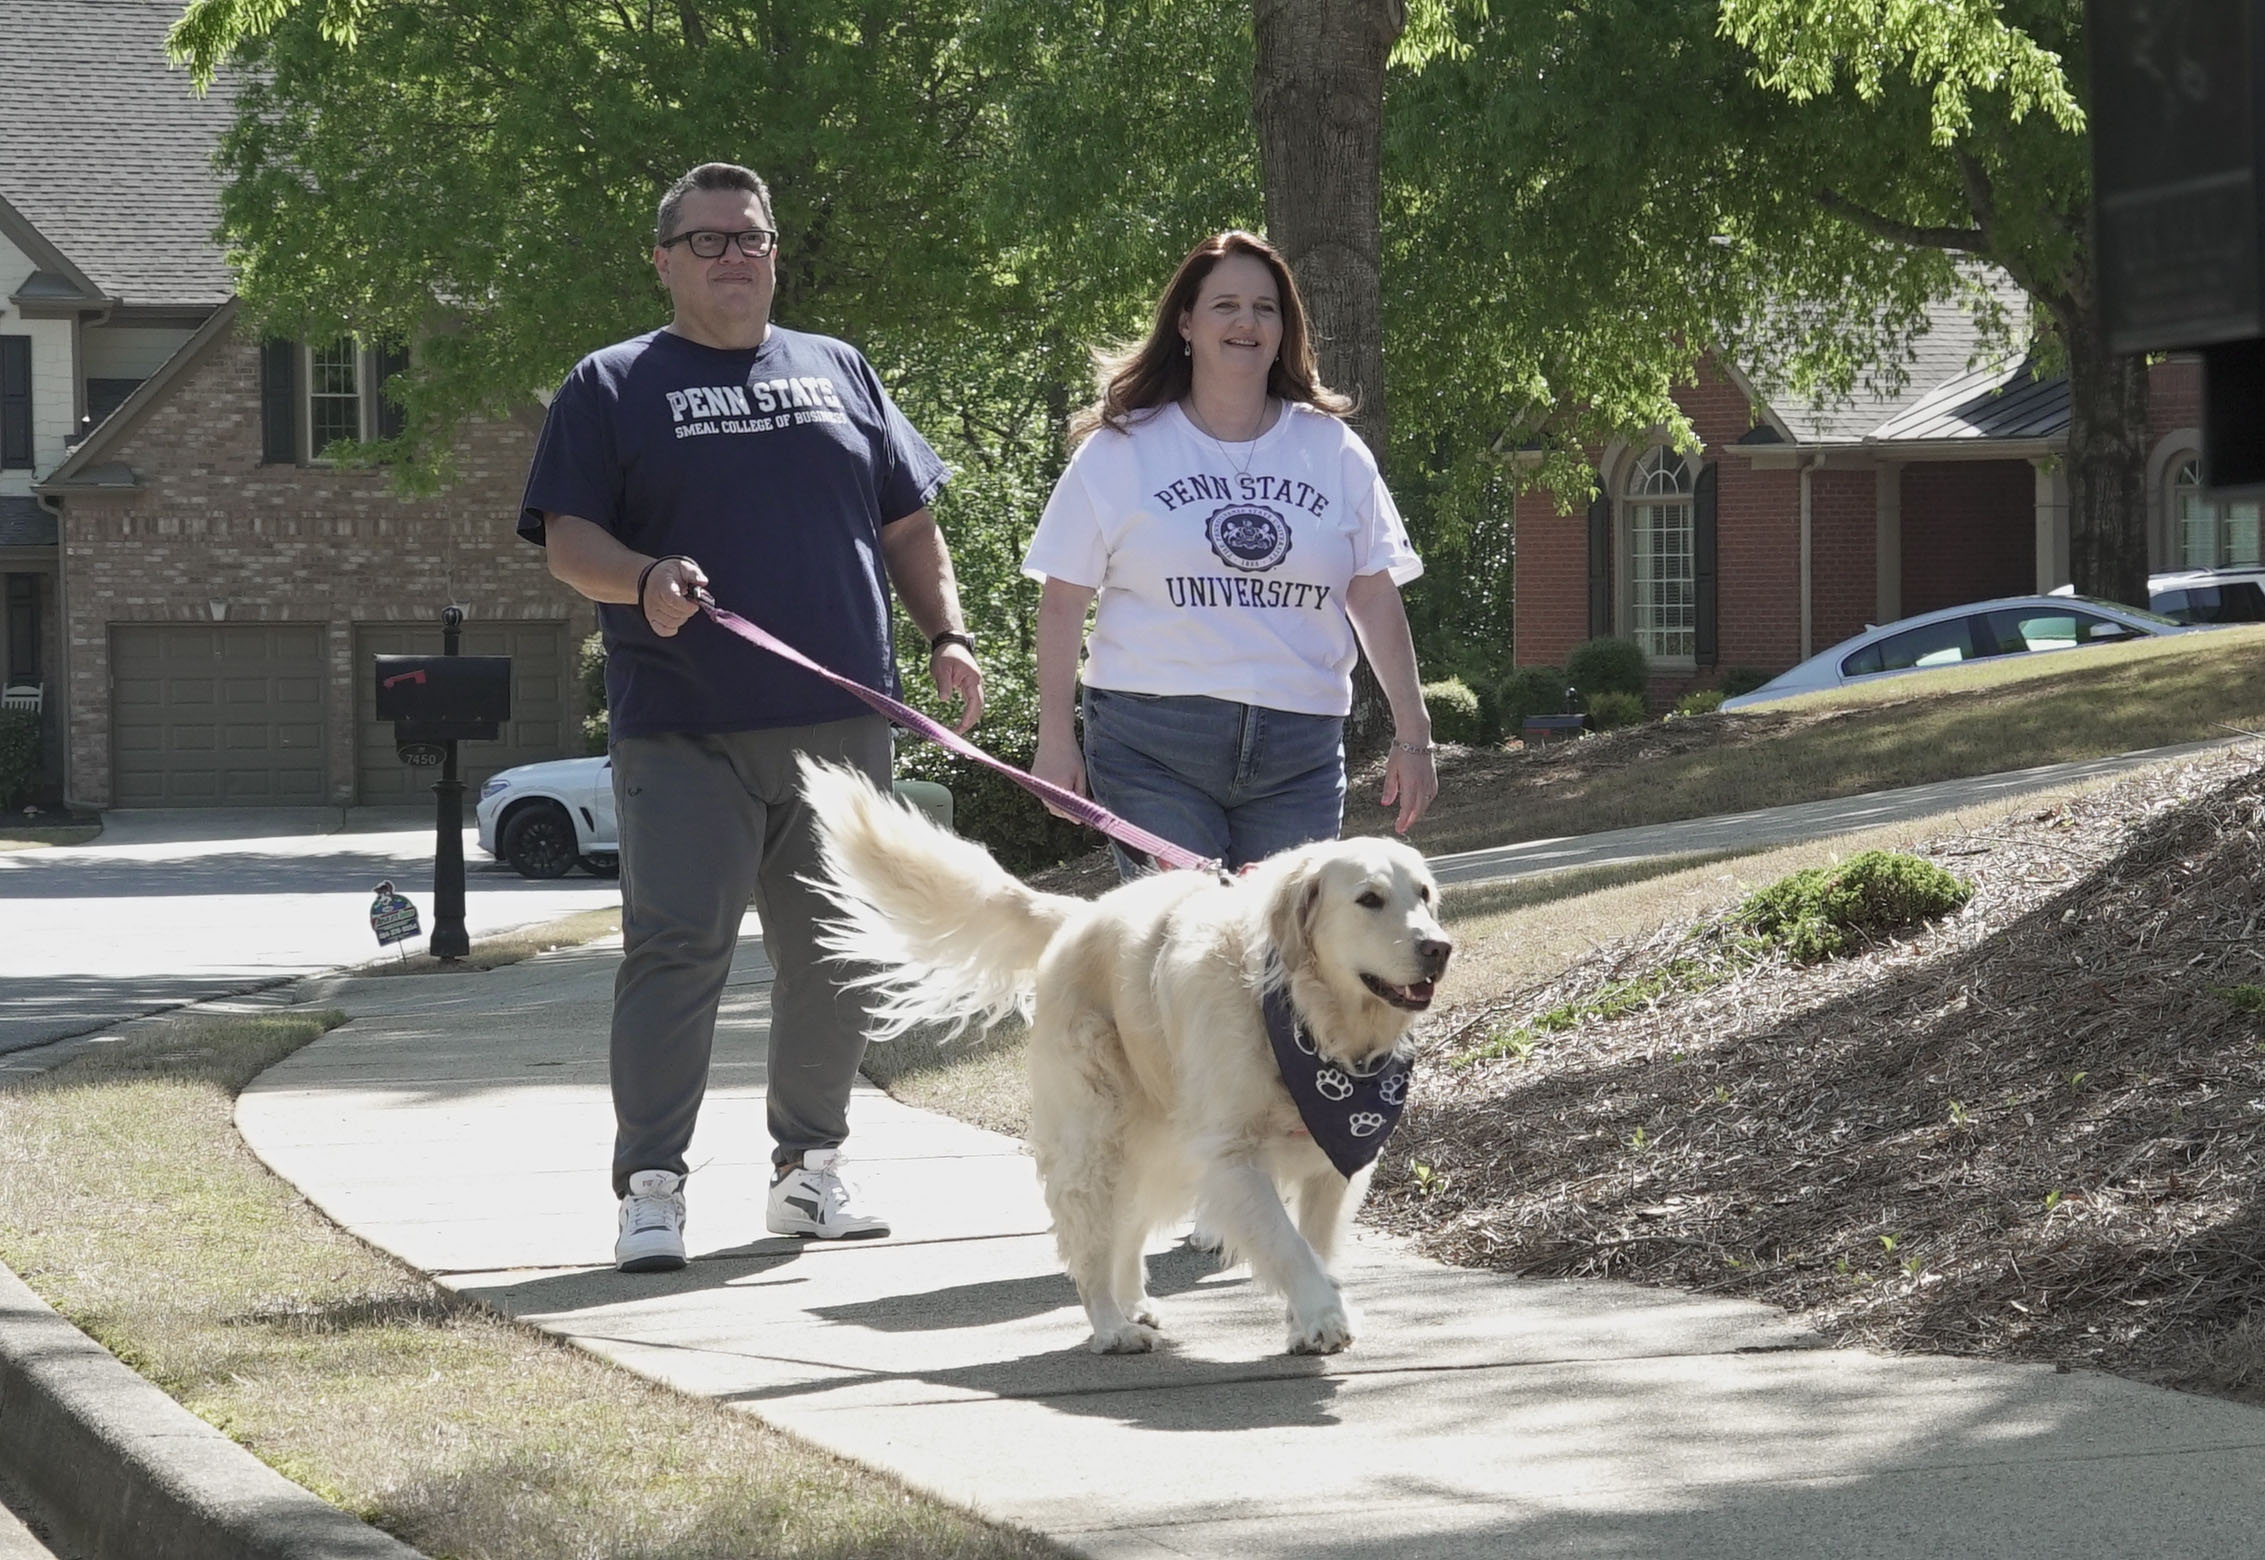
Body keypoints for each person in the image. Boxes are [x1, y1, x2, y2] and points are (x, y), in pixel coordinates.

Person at [518, 162, 985, 1273]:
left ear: (776, 252)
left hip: (840, 724)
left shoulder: (841, 369)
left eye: (753, 238)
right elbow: (567, 544)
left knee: (834, 956)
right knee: (676, 953)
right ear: (665, 258)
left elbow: (909, 523)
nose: (736, 256)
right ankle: (651, 1189)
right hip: (683, 730)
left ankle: (809, 1173)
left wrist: (948, 635)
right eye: (710, 240)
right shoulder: (612, 383)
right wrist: (640, 582)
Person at [1024, 230, 1436, 877]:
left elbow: (1373, 594)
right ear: (1185, 322)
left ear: (1283, 329)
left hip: (1297, 751)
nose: (1247, 322)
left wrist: (1414, 735)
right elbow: (1063, 598)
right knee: (1188, 947)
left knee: (1279, 959)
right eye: (1226, 305)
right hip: (1154, 744)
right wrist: (1054, 739)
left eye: (1265, 308)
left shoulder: (1331, 450)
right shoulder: (1119, 451)